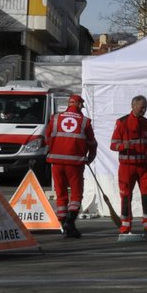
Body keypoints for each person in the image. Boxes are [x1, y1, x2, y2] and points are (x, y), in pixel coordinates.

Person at [45, 93, 97, 238]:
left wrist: (55, 148)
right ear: (79, 105)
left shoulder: (55, 118)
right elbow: (92, 143)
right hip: (75, 163)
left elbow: (46, 139)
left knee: (61, 193)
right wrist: (90, 158)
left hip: (56, 162)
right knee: (76, 194)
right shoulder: (84, 122)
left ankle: (64, 225)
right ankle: (70, 222)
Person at [109, 94, 147, 240]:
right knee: (125, 196)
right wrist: (124, 146)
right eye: (142, 107)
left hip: (145, 168)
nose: (144, 110)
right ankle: (125, 226)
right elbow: (113, 144)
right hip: (127, 167)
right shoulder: (122, 122)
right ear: (133, 106)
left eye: (145, 107)